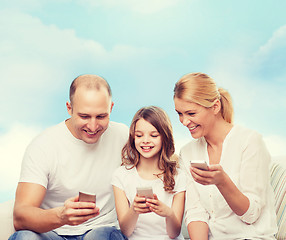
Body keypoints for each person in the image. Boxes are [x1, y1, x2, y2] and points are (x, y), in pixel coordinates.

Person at [9, 74, 129, 240]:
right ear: (69, 108)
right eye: (84, 116)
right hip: (53, 234)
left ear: (111, 108)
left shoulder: (123, 135)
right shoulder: (43, 146)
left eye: (101, 116)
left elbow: (160, 159)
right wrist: (61, 216)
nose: (93, 126)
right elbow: (20, 216)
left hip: (101, 231)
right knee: (24, 237)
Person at [173, 72, 278, 239]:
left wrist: (222, 182)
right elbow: (196, 213)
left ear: (215, 106)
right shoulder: (187, 152)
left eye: (191, 113)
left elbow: (251, 215)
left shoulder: (250, 141)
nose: (184, 122)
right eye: (179, 113)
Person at [111, 106, 186, 240]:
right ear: (133, 137)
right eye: (139, 135)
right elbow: (126, 231)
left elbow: (174, 233)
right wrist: (134, 209)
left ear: (165, 137)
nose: (145, 140)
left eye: (154, 135)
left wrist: (168, 214)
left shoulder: (178, 176)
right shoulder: (121, 175)